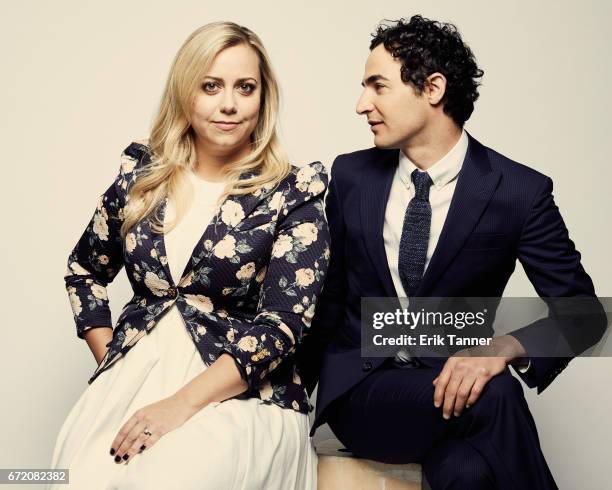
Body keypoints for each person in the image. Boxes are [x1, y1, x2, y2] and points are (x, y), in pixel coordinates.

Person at [300, 15, 606, 490]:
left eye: (378, 87)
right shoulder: (352, 176)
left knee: (466, 472)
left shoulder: (518, 192)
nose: (362, 105)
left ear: (433, 88)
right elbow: (330, 297)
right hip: (365, 393)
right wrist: (284, 391)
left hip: (457, 393)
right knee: (498, 393)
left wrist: (500, 348)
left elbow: (584, 316)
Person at [48, 21, 330, 490]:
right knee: (70, 478)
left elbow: (283, 326)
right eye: (211, 86)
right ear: (185, 92)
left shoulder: (292, 193)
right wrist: (112, 363)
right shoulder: (141, 176)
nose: (229, 104)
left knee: (176, 476)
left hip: (240, 395)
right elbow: (84, 271)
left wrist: (175, 408)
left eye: (246, 87)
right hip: (135, 380)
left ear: (264, 98)